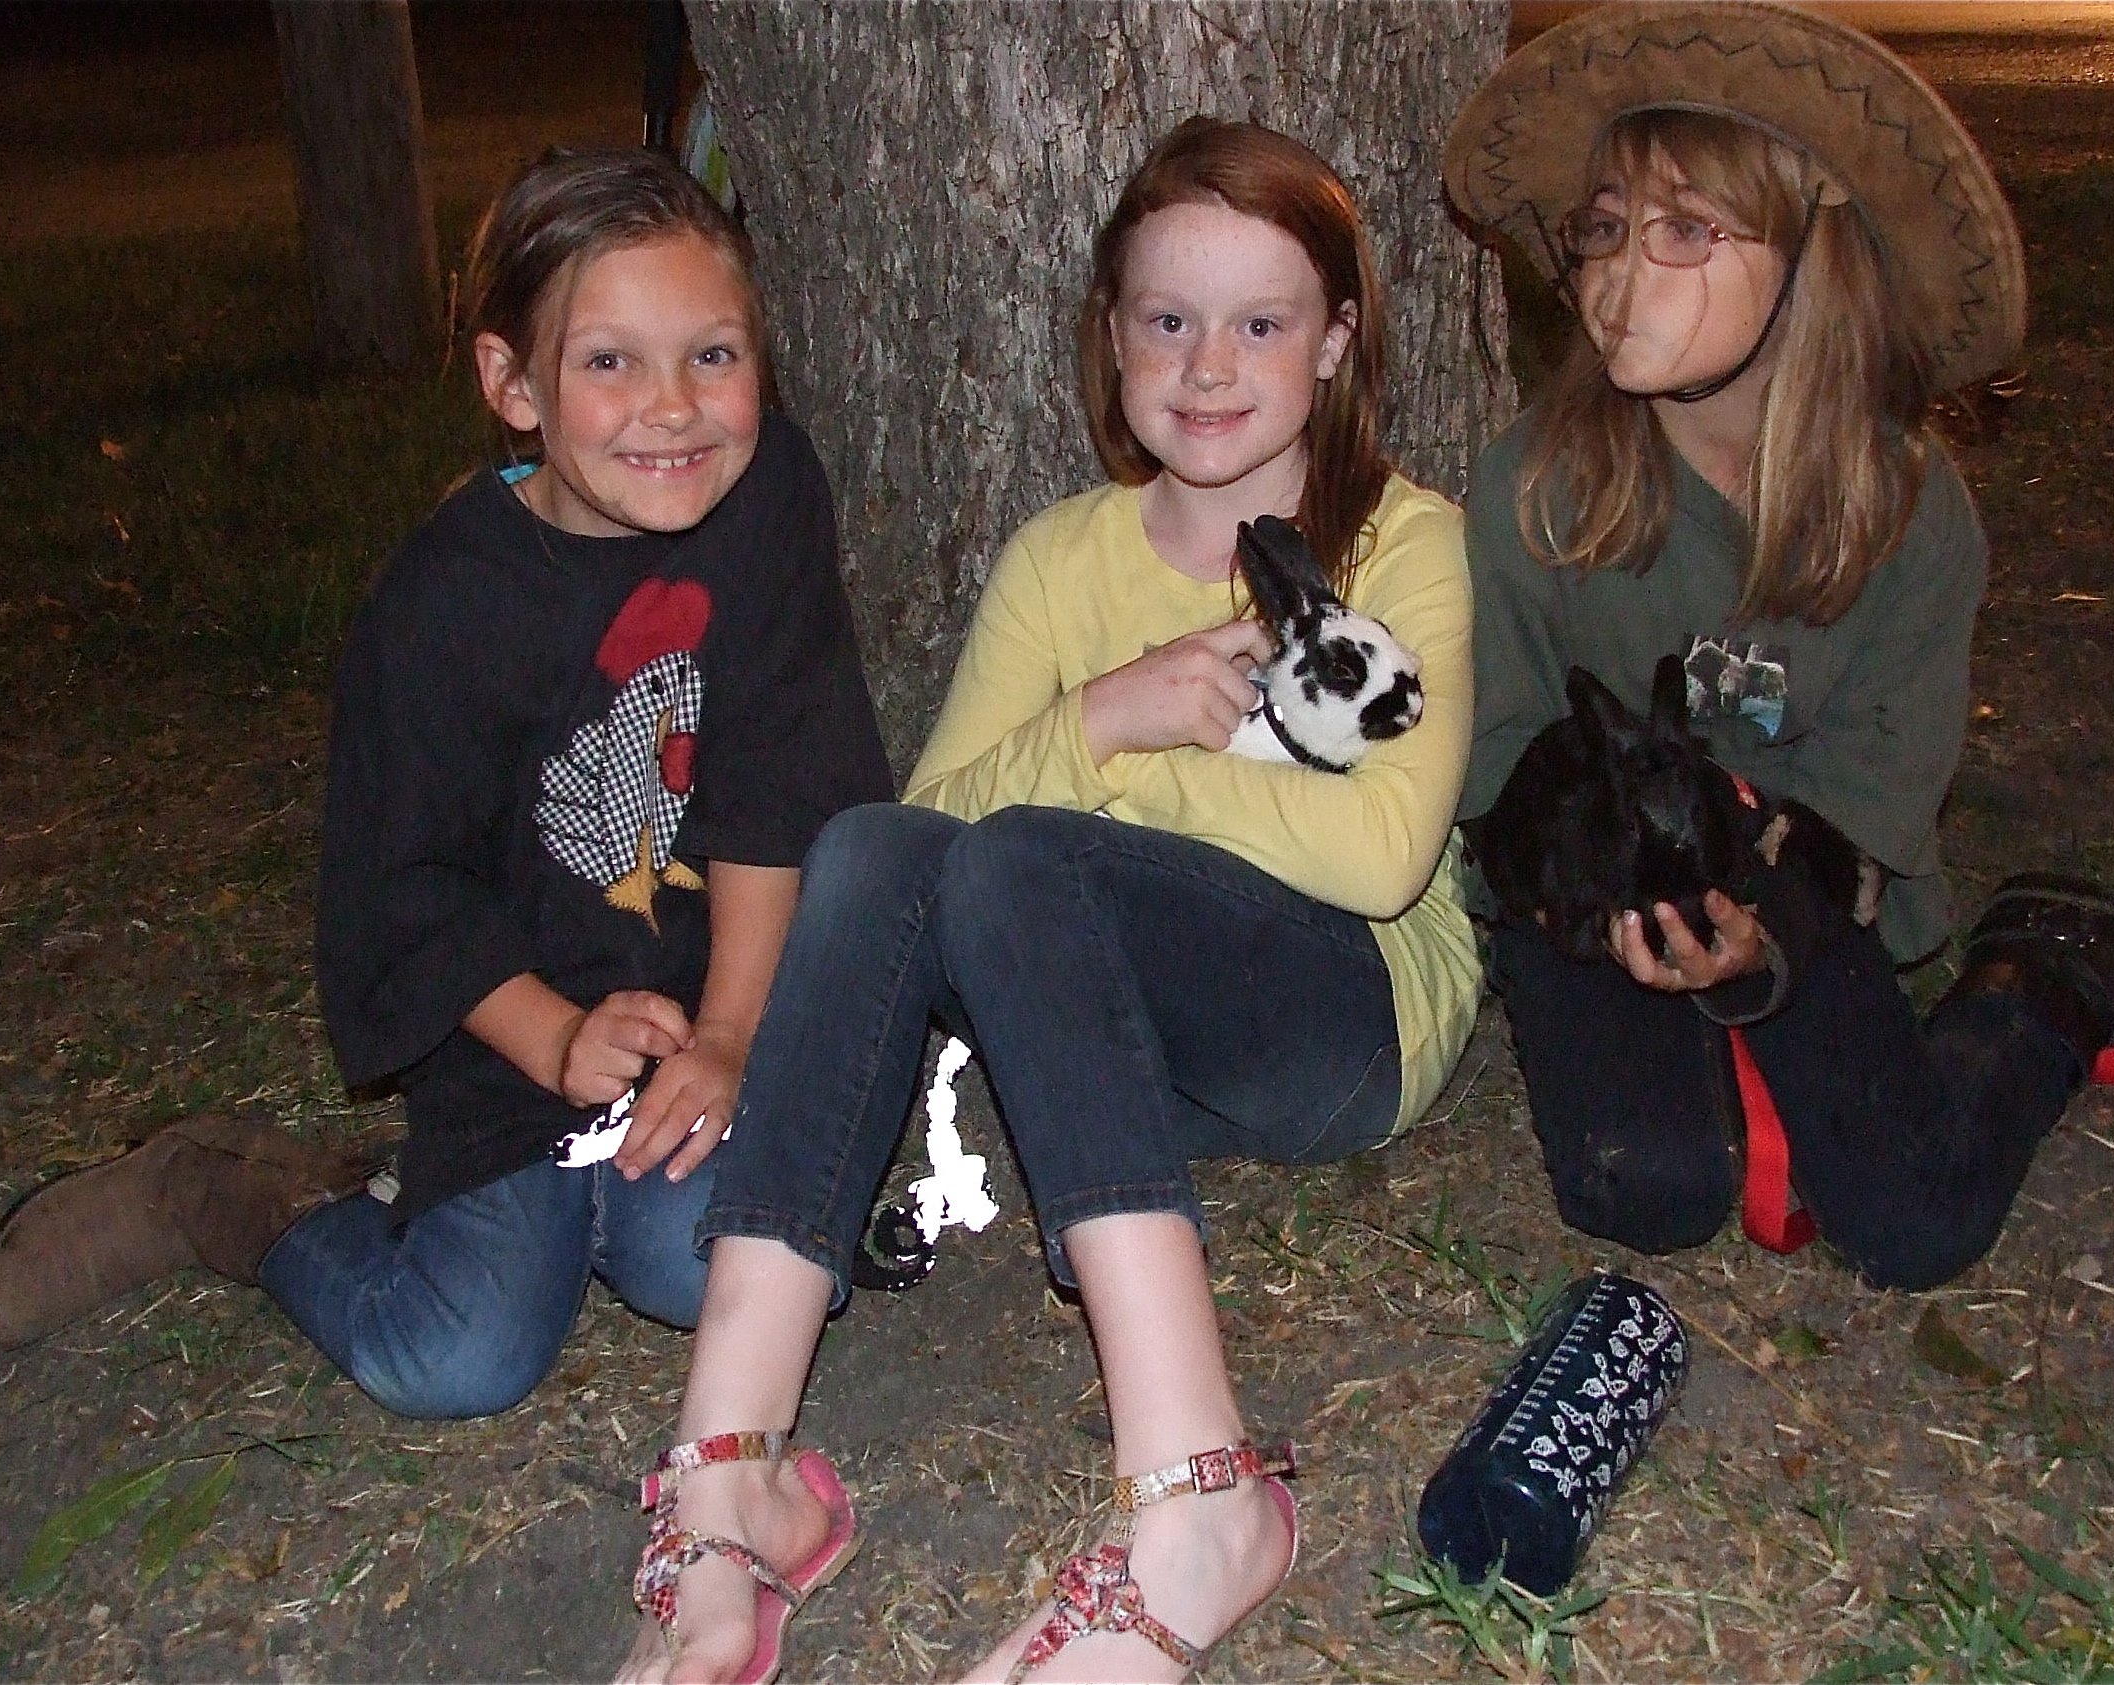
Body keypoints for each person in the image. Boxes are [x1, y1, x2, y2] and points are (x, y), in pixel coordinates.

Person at [613, 117, 1477, 1685]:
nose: (1206, 366)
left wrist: (1129, 769)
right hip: (1116, 1037)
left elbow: (1377, 859)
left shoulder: (1402, 543)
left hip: (1338, 1017)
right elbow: (913, 845)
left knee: (1018, 851)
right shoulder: (1058, 558)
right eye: (1167, 319)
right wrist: (1103, 713)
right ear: (1110, 334)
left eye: (1261, 323)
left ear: (1337, 342)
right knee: (881, 846)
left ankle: (1198, 1499)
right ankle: (732, 1467)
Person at [0, 147, 893, 1420]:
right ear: (512, 384)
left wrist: (731, 1033)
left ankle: (615, 1206)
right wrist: (556, 1038)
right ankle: (221, 1188)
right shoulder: (441, 607)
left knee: (720, 1271)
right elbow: (404, 890)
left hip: (702, 1009)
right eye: (609, 361)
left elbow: (782, 781)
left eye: (713, 355)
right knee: (456, 1355)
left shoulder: (769, 492)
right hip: (509, 1033)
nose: (674, 408)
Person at [1442, 3, 2114, 1291]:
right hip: (1597, 899)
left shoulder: (1906, 510)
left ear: (1811, 256)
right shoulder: (1538, 484)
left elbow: (1877, 775)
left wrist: (1768, 930)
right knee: (1650, 1185)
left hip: (1798, 875)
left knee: (1915, 1220)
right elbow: (1499, 743)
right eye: (1608, 228)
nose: (1622, 273)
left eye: (1687, 231)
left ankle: (2048, 979)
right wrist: (1598, 889)